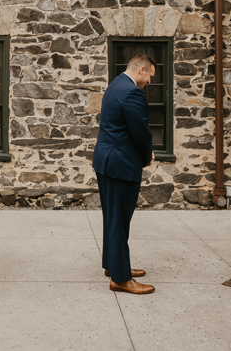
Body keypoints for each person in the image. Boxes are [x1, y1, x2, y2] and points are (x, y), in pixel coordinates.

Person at [92, 54, 156, 295]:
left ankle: (114, 265)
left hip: (107, 161)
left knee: (113, 217)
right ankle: (120, 278)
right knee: (119, 220)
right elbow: (140, 131)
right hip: (119, 165)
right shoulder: (132, 92)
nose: (150, 81)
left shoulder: (116, 84)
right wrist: (147, 155)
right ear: (141, 70)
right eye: (150, 76)